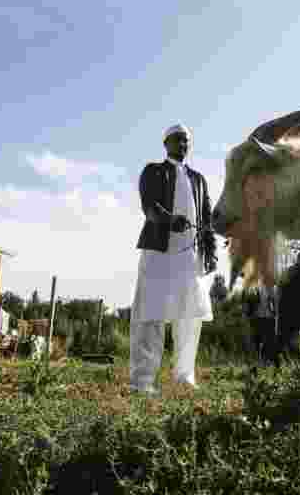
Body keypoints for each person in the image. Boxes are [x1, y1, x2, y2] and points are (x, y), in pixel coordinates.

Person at [128, 124, 217, 395]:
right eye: (178, 139)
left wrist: (210, 251)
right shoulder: (153, 171)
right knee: (150, 315)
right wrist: (169, 220)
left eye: (187, 140)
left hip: (190, 257)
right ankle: (143, 382)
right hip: (158, 252)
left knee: (190, 317)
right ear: (166, 143)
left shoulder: (199, 179)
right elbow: (149, 207)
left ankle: (184, 377)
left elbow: (207, 220)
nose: (184, 144)